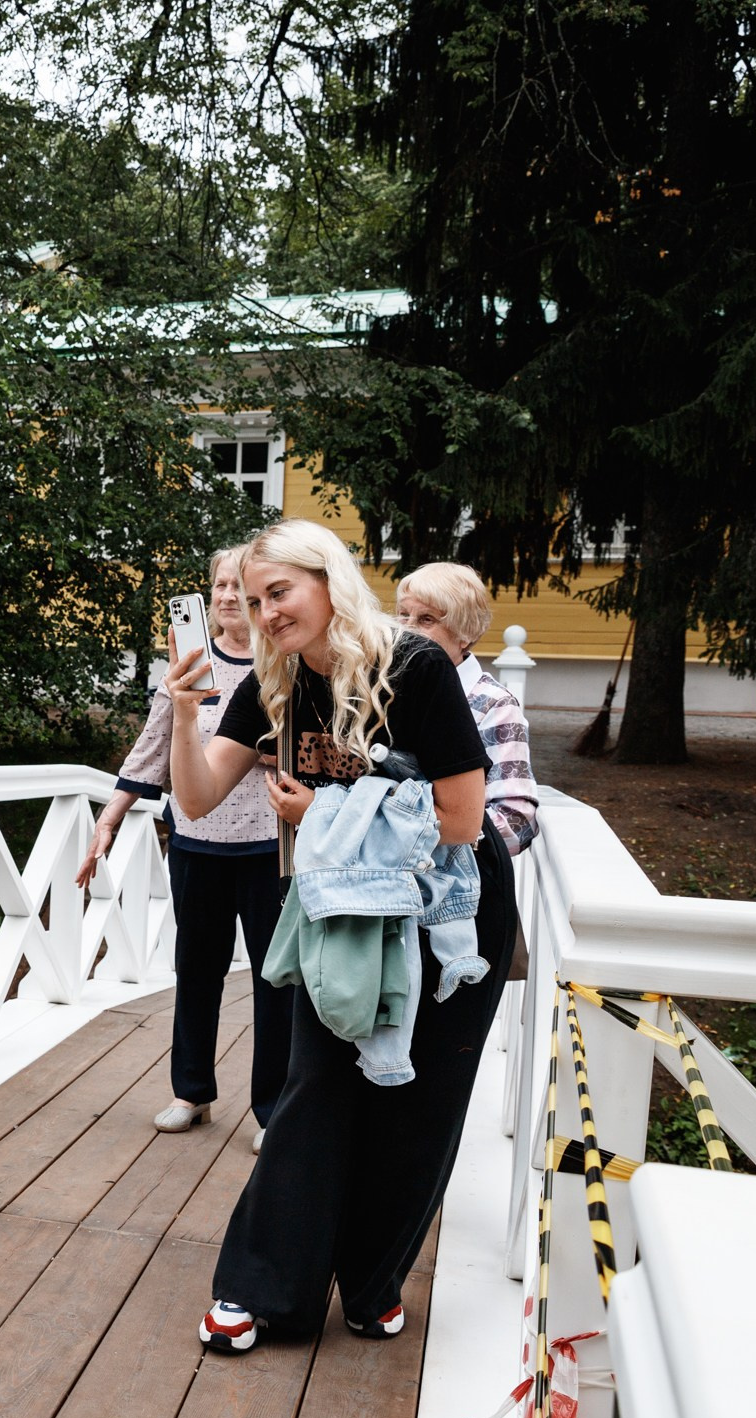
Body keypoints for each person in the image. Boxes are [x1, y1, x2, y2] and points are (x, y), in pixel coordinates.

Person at [165, 519, 515, 1355]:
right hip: (350, 916)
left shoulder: (414, 667)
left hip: (448, 911)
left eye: (278, 592)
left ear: (329, 581)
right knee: (315, 1084)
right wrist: (183, 718)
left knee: (419, 1106)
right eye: (252, 599)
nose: (263, 612)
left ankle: (372, 1284)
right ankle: (261, 1291)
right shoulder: (276, 682)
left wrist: (323, 810)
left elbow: (463, 820)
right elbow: (200, 797)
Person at [79, 545, 290, 1150]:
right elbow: (154, 743)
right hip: (197, 844)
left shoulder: (285, 666)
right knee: (196, 971)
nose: (228, 597)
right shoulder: (191, 663)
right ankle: (190, 1091)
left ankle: (274, 1110)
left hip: (268, 846)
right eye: (220, 586)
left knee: (277, 983)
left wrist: (279, 752)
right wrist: (110, 819)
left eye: (241, 589)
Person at [393, 561, 539, 854]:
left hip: (447, 884)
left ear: (465, 633)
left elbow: (516, 821)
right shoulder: (387, 691)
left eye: (426, 620)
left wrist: (414, 837)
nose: (407, 630)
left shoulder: (491, 703)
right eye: (402, 615)